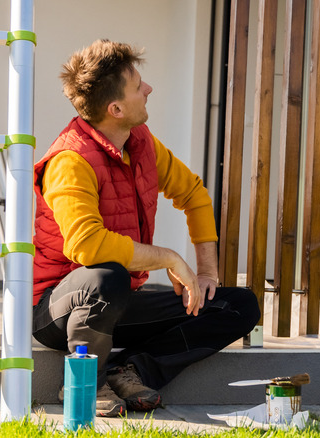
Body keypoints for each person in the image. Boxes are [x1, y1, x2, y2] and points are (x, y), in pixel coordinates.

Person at [31, 39, 260, 417]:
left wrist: (205, 272)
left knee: (237, 305)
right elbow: (87, 246)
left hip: (119, 303)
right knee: (106, 278)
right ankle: (91, 380)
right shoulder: (70, 161)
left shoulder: (141, 143)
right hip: (58, 310)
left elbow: (194, 194)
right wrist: (168, 257)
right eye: (139, 85)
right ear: (116, 108)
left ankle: (133, 370)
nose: (149, 89)